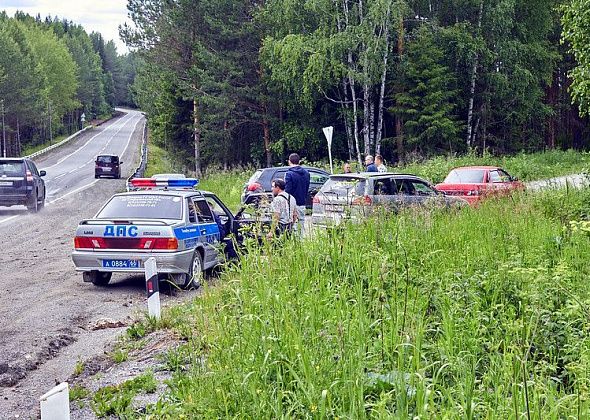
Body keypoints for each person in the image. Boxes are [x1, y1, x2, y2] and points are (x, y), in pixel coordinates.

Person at [284, 153, 310, 236]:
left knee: (292, 226)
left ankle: (294, 245)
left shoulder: (289, 174)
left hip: (292, 204)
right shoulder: (306, 173)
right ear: (299, 161)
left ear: (289, 161)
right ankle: (300, 245)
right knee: (301, 226)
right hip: (302, 202)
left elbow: (288, 190)